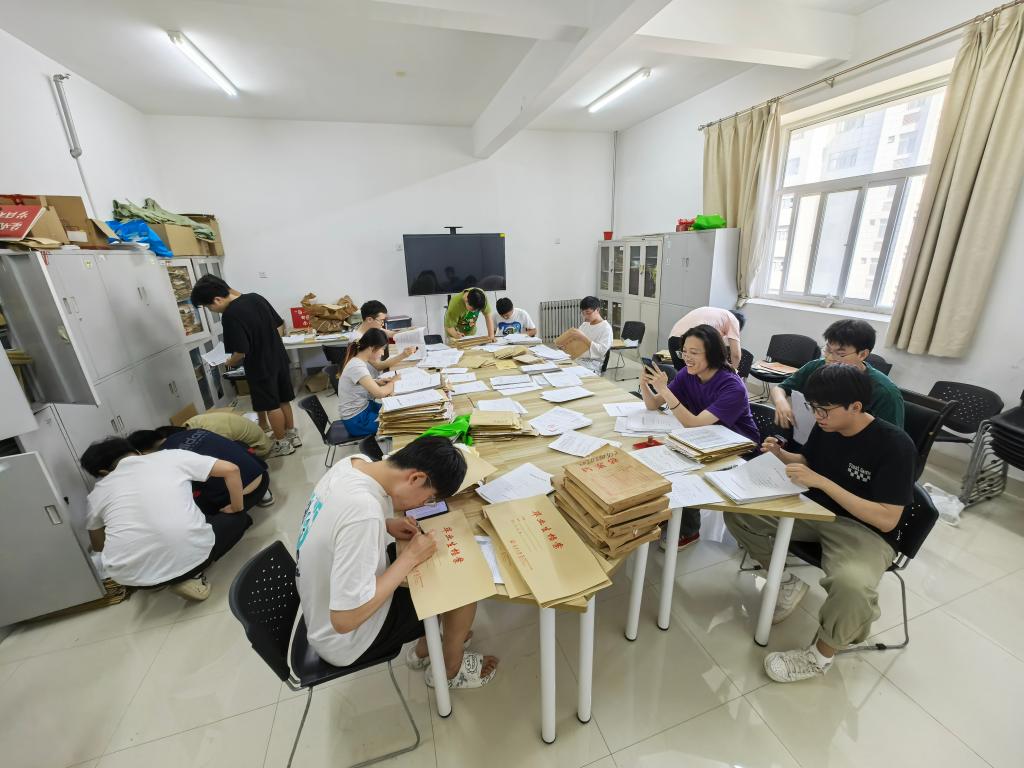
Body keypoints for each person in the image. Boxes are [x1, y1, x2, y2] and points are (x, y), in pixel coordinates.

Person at [726, 365, 917, 683]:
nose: (817, 416)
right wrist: (782, 455)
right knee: (738, 512)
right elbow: (810, 462)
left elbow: (886, 519)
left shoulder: (895, 445)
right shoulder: (827, 425)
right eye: (813, 407)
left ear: (856, 407)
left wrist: (823, 483)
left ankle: (820, 656)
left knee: (853, 585)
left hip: (864, 528)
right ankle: (786, 582)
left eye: (824, 410)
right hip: (814, 508)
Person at [295, 436, 499, 688]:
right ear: (416, 478)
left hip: (321, 610)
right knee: (463, 579)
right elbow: (345, 620)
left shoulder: (354, 464)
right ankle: (451, 669)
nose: (423, 505)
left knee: (435, 564)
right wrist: (410, 557)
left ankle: (425, 648)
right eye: (428, 498)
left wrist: (386, 524)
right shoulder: (363, 511)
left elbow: (339, 526)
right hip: (345, 639)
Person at [82, 436, 251, 602]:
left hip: (130, 578)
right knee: (239, 519)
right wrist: (236, 507)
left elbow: (98, 546)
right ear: (137, 452)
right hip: (191, 558)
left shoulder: (96, 494)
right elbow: (231, 470)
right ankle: (191, 576)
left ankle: (157, 581)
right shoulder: (170, 456)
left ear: (103, 472)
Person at [640, 323, 760, 550]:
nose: (687, 357)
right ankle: (668, 512)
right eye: (684, 351)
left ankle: (689, 529)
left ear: (712, 354)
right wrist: (645, 384)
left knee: (682, 470)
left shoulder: (732, 386)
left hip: (737, 448)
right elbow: (653, 405)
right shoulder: (688, 374)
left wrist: (664, 390)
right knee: (657, 457)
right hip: (705, 438)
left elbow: (692, 423)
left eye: (694, 352)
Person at [191, 276, 300, 458]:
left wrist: (229, 362)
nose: (212, 311)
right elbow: (279, 324)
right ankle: (292, 435)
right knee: (283, 399)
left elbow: (241, 351)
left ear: (217, 300)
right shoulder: (256, 298)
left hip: (260, 365)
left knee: (271, 405)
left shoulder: (230, 315)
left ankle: (282, 443)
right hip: (279, 357)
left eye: (209, 307)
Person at [772, 318, 904, 429]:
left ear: (862, 354)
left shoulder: (884, 392)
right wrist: (781, 401)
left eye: (840, 354)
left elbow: (891, 438)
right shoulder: (816, 367)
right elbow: (780, 388)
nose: (830, 358)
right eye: (828, 350)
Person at [128, 426, 273, 513]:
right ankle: (264, 494)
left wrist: (236, 508)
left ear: (142, 453)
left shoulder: (165, 456)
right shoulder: (193, 431)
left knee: (186, 497)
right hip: (263, 476)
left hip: (243, 499)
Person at [337, 329, 399, 438]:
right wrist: (394, 382)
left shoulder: (358, 361)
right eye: (382, 349)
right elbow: (379, 394)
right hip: (357, 420)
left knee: (395, 410)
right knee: (397, 421)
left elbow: (359, 383)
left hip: (364, 409)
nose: (383, 353)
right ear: (371, 348)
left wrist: (376, 382)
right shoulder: (357, 366)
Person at [349, 300, 416, 371]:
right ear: (369, 319)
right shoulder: (358, 339)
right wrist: (404, 355)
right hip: (372, 376)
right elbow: (378, 366)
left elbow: (392, 334)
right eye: (381, 320)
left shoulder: (370, 327)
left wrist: (410, 330)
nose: (383, 324)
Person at [669, 307, 745, 366]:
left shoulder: (718, 315)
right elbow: (736, 355)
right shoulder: (733, 320)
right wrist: (733, 372)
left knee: (682, 377)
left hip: (673, 340)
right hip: (690, 343)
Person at [183, 410, 273, 458]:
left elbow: (223, 453)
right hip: (257, 436)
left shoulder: (214, 432)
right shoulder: (191, 422)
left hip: (259, 447)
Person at [558, 296, 613, 375]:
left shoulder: (606, 328)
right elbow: (576, 344)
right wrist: (566, 346)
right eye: (583, 313)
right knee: (556, 370)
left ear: (597, 310)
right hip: (577, 360)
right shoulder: (585, 325)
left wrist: (583, 338)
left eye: (588, 313)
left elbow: (601, 351)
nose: (585, 316)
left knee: (565, 375)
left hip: (592, 365)